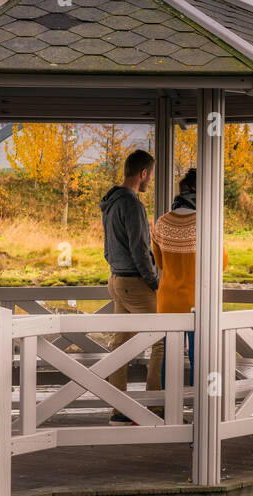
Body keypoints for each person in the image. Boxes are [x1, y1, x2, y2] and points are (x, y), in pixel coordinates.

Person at [100, 150, 162, 426]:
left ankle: (119, 406)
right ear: (143, 174)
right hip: (135, 282)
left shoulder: (111, 202)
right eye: (151, 174)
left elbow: (106, 249)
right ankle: (156, 404)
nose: (150, 179)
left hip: (116, 280)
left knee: (121, 343)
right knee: (163, 338)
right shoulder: (133, 204)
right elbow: (140, 250)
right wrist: (154, 282)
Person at [152, 169, 227, 386]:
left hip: (168, 302)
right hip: (198, 302)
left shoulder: (161, 223)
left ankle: (169, 412)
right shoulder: (206, 223)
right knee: (200, 359)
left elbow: (159, 263)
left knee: (170, 359)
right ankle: (200, 412)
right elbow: (221, 263)